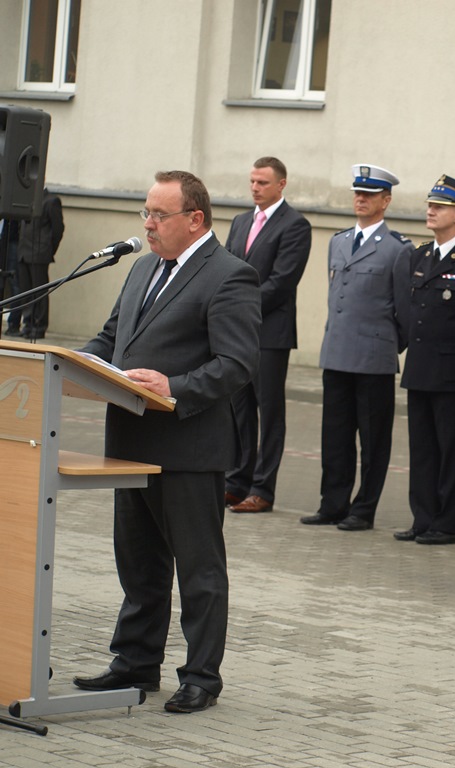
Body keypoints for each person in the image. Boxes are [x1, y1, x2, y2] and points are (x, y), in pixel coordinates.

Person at [72, 171, 261, 713]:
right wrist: (74, 363)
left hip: (189, 447)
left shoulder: (230, 275)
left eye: (159, 214)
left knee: (199, 570)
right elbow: (112, 338)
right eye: (146, 213)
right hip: (131, 439)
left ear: (195, 219)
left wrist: (174, 387)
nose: (148, 224)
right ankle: (135, 663)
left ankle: (201, 676)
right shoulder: (141, 268)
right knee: (139, 564)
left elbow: (236, 364)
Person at [300, 164, 413, 530]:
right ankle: (333, 504)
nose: (360, 199)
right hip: (337, 352)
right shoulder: (338, 241)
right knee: (335, 436)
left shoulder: (398, 249)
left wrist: (387, 344)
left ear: (386, 201)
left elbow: (405, 311)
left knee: (373, 440)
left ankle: (363, 509)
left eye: (369, 195)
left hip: (373, 358)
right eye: (357, 193)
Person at [394, 174, 455, 544]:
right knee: (421, 448)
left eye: (440, 207)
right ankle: (422, 518)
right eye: (430, 205)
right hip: (420, 366)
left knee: (452, 450)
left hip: (453, 371)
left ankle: (447, 523)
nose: (431, 211)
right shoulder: (418, 255)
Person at [224, 157, 311, 513]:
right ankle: (236, 482)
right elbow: (227, 267)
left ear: (281, 184)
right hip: (237, 334)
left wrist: (239, 305)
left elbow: (281, 281)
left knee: (270, 412)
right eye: (252, 181)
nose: (255, 188)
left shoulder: (295, 225)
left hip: (270, 334)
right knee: (239, 410)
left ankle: (263, 489)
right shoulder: (241, 221)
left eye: (262, 182)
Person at [16, 188, 64, 339]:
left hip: (39, 253)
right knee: (25, 290)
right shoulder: (27, 199)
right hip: (23, 252)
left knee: (40, 291)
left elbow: (58, 229)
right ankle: (28, 323)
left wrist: (48, 249)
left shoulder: (51, 201)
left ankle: (39, 326)